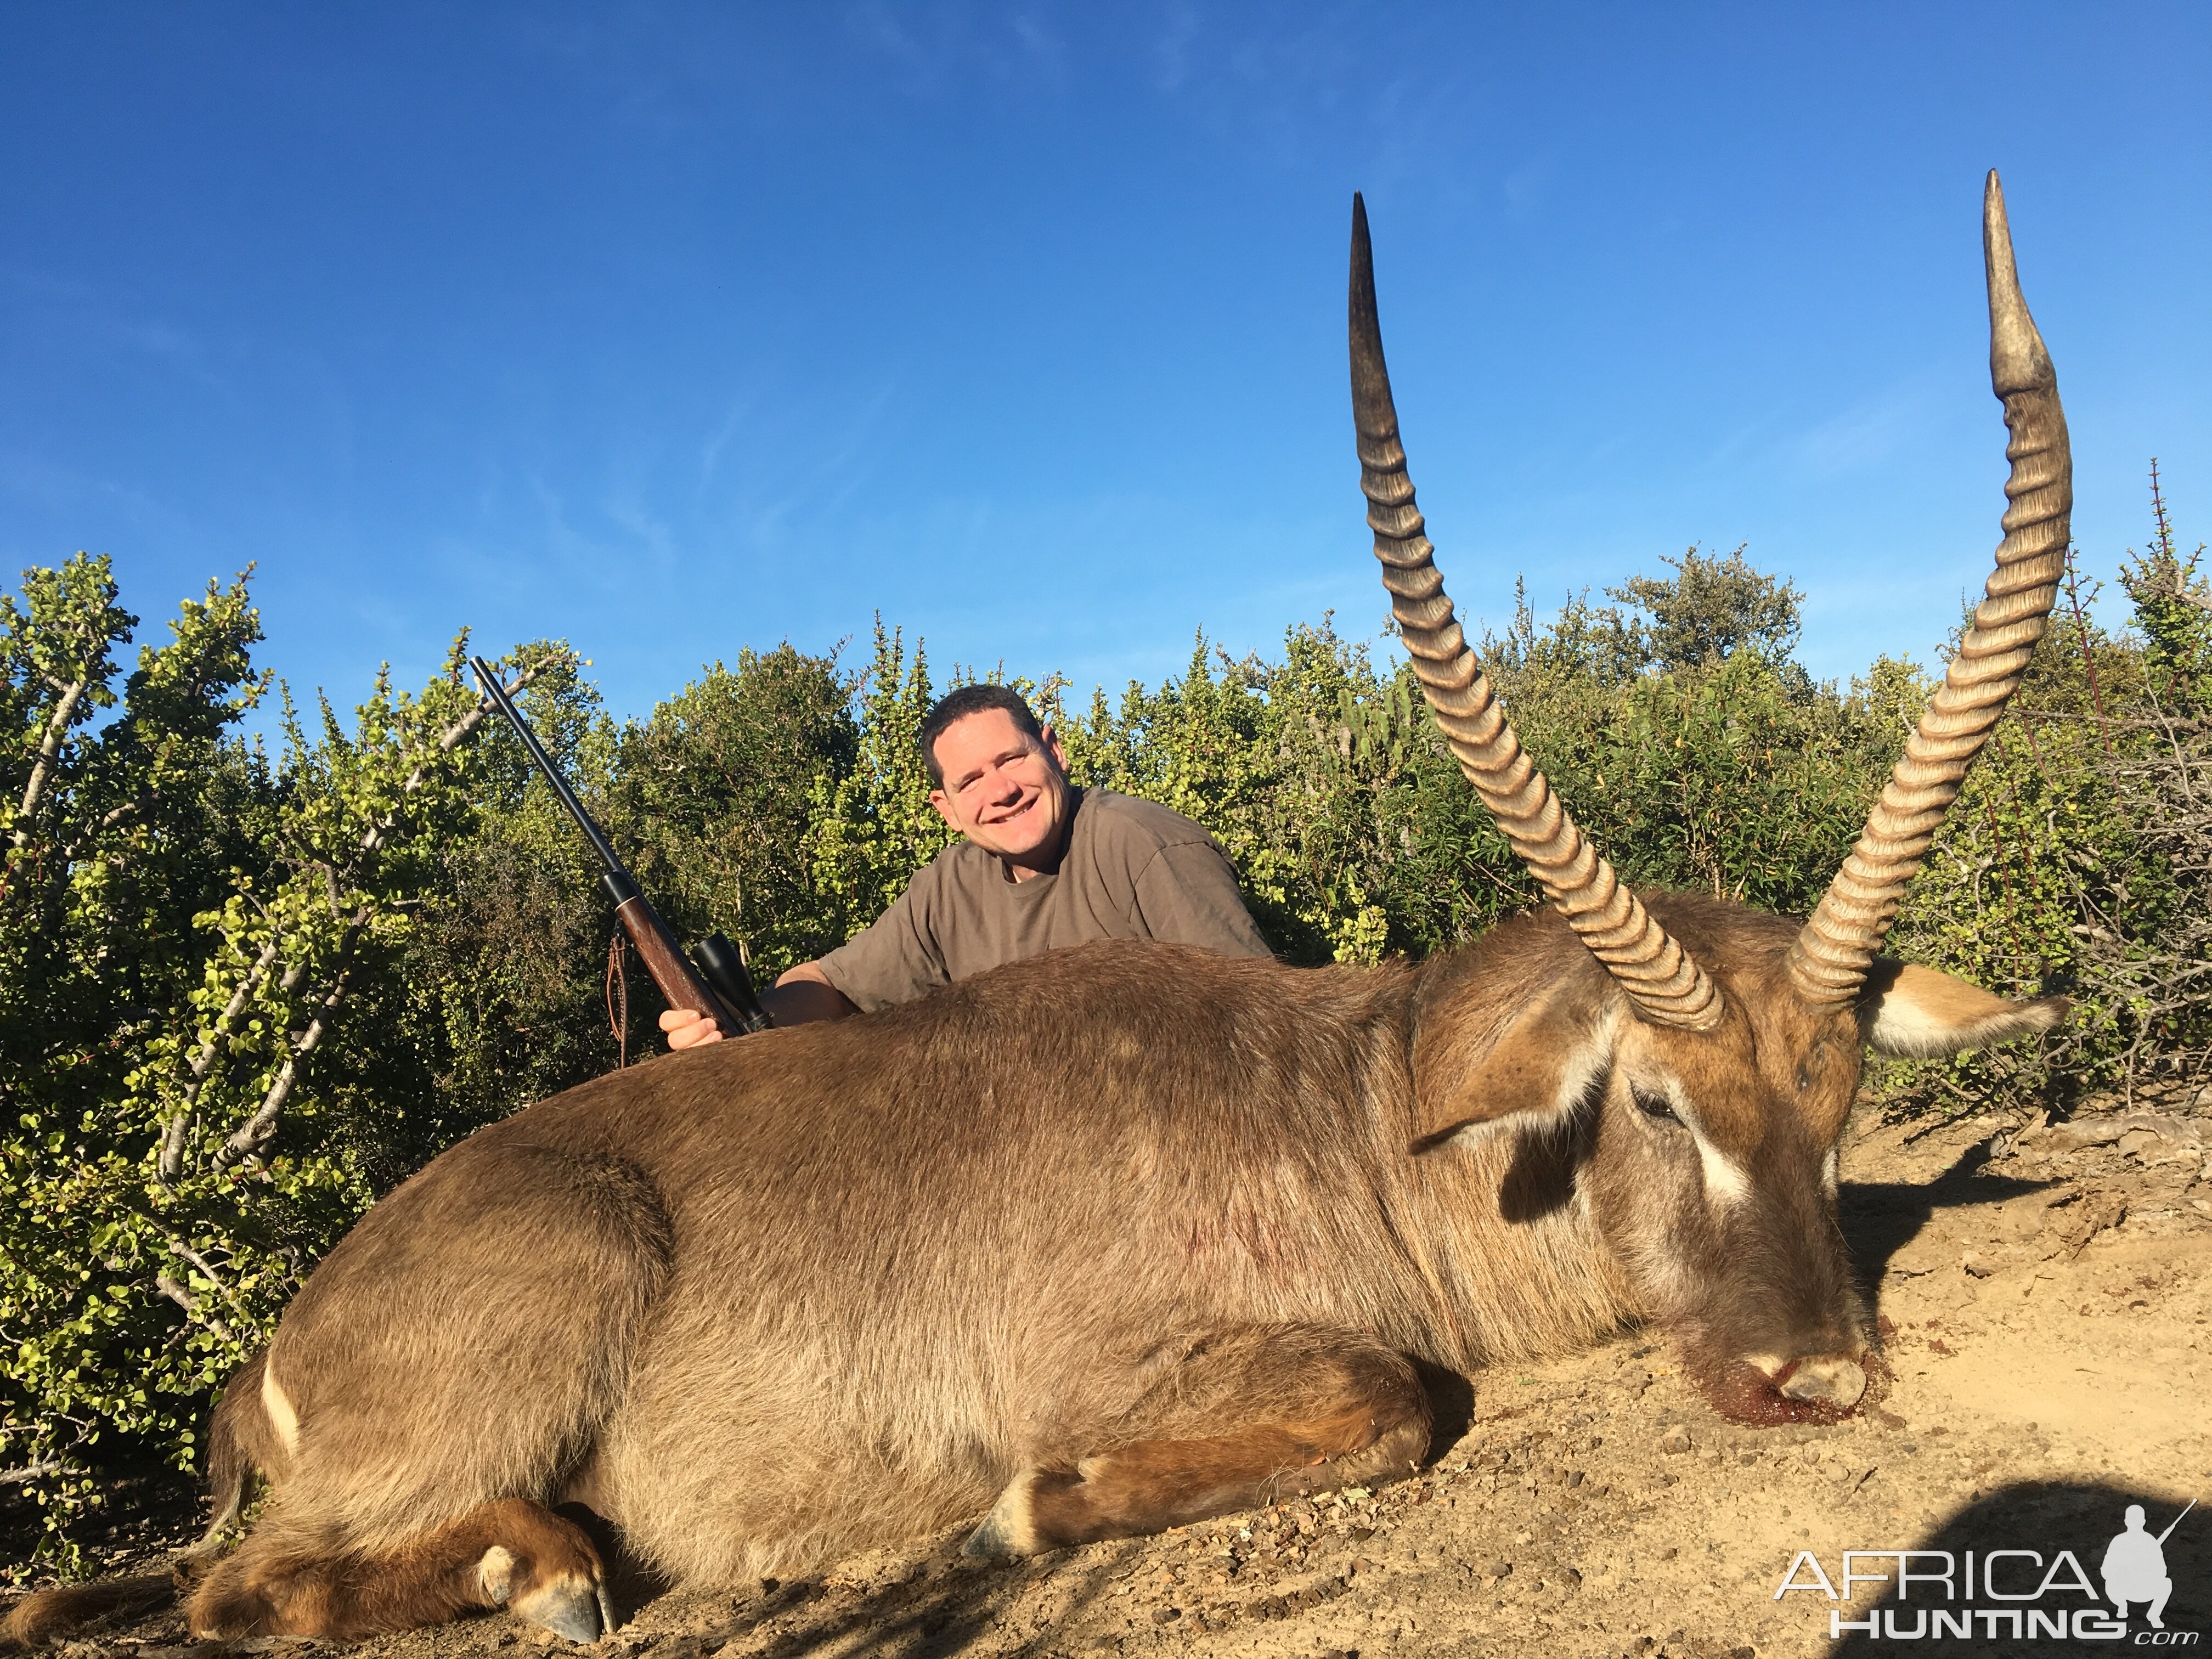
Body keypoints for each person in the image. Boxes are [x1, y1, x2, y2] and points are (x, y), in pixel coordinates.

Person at [660, 684, 1272, 1046]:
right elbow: (831, 985)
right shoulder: (950, 887)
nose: (1000, 791)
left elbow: (1262, 1023)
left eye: (1012, 759)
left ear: (1054, 752)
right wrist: (744, 1028)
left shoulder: (1142, 844)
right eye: (971, 781)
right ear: (946, 808)